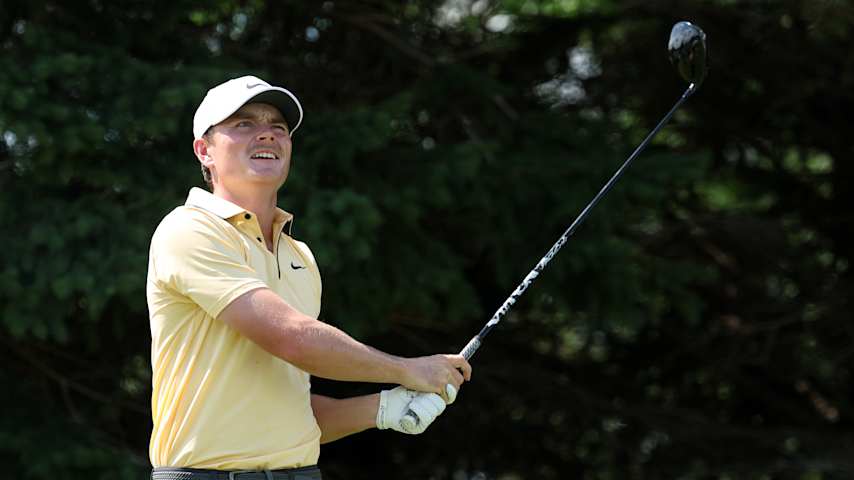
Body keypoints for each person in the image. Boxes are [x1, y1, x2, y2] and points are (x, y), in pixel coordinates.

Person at [146, 75, 472, 480]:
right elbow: (291, 336)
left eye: (277, 127)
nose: (266, 134)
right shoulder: (189, 229)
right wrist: (407, 368)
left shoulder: (299, 256)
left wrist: (383, 409)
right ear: (204, 151)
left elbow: (290, 407)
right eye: (244, 124)